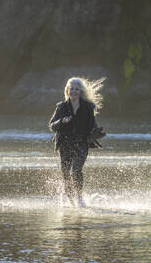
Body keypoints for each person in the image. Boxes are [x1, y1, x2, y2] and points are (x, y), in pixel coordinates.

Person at [48, 77, 105, 207]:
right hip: (65, 143)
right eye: (71, 88)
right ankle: (70, 201)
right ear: (67, 90)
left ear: (80, 91)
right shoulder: (61, 107)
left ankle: (80, 199)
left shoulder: (88, 107)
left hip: (82, 143)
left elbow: (92, 125)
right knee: (66, 174)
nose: (73, 91)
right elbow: (52, 126)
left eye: (76, 89)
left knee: (76, 170)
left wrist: (97, 131)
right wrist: (61, 121)